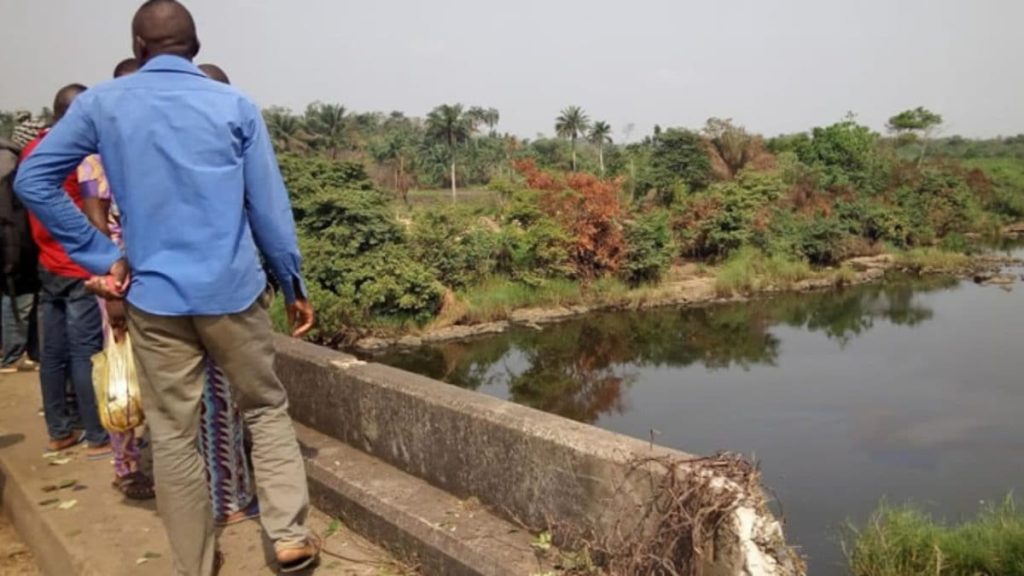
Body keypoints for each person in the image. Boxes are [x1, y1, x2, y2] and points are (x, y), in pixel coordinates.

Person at [15, 2, 318, 574]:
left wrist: (102, 256)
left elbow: (34, 178)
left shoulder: (103, 103)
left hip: (154, 296)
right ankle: (288, 536)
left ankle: (195, 563)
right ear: (196, 46)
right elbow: (269, 209)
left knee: (175, 435)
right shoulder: (234, 104)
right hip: (232, 290)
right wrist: (292, 280)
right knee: (265, 408)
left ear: (138, 44)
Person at [77, 57, 155, 500]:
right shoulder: (96, 160)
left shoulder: (148, 149)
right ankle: (125, 465)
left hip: (160, 275)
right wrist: (112, 293)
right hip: (120, 278)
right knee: (121, 371)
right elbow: (97, 227)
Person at [20, 84, 110, 455]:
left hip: (46, 261)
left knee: (52, 353)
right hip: (79, 264)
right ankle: (97, 434)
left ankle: (59, 430)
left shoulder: (31, 151)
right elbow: (96, 212)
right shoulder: (81, 155)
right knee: (85, 352)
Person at [0, 133, 40, 373]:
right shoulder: (9, 163)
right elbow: (10, 218)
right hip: (13, 244)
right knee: (18, 298)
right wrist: (14, 254)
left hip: (10, 242)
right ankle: (13, 355)